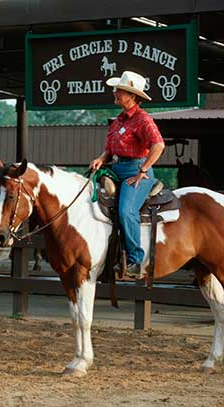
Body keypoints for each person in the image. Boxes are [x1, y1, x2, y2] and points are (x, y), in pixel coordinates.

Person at [89, 71, 165, 279]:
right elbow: (109, 149)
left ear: (132, 96)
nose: (115, 92)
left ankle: (136, 260)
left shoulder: (142, 119)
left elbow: (158, 145)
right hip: (117, 167)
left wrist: (143, 171)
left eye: (119, 90)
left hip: (136, 169)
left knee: (126, 211)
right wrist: (101, 159)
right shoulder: (118, 120)